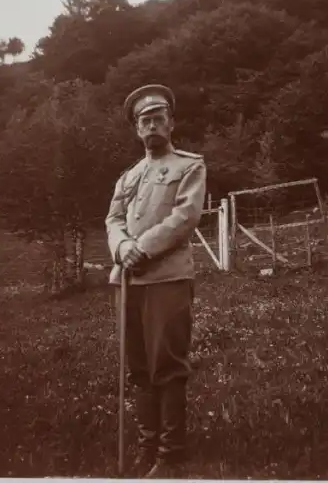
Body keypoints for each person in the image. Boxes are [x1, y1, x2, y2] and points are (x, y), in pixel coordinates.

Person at [105, 84, 207, 478]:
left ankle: (170, 456)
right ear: (137, 129)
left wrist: (141, 249)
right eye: (144, 120)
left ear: (171, 123)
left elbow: (185, 217)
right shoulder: (128, 177)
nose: (151, 125)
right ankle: (147, 448)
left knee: (168, 365)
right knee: (138, 367)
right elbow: (113, 219)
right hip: (128, 281)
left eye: (157, 117)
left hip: (167, 277)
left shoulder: (189, 166)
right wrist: (121, 248)